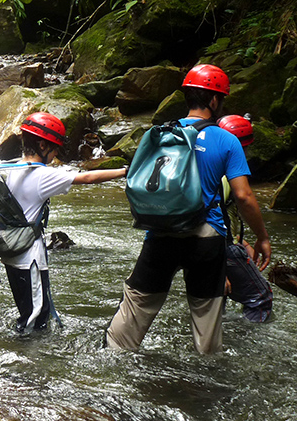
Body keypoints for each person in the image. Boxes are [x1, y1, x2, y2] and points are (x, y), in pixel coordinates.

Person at [105, 64, 272, 354]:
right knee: (206, 315)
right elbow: (243, 196)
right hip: (206, 236)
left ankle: (111, 359)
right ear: (215, 100)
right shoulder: (226, 139)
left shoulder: (159, 133)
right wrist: (262, 238)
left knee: (137, 305)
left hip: (161, 232)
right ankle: (205, 380)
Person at [0, 112, 127, 333]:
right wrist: (125, 171)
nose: (56, 153)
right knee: (36, 319)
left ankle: (24, 357)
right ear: (42, 145)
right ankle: (28, 363)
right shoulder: (41, 176)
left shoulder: (14, 169)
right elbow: (87, 178)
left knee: (27, 313)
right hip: (30, 259)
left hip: (11, 254)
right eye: (54, 147)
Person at [217, 114, 273, 323]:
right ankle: (250, 347)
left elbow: (222, 215)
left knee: (215, 302)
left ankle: (218, 342)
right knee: (261, 297)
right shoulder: (228, 177)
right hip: (216, 247)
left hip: (207, 246)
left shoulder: (210, 167)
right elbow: (211, 218)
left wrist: (242, 241)